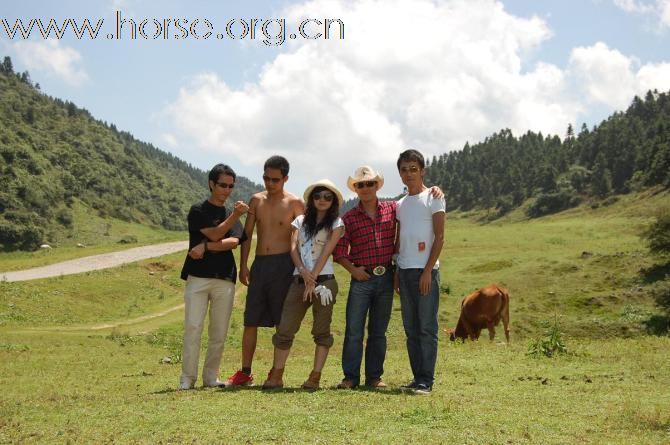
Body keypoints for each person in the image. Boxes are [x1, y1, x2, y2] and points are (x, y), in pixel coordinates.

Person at [334, 166, 443, 389]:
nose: (365, 188)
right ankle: (350, 377)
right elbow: (340, 250)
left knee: (378, 331)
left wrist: (436, 190)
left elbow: (415, 207)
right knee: (354, 330)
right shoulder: (348, 218)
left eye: (369, 184)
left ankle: (374, 377)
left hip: (386, 277)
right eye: (360, 185)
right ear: (355, 189)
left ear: (377, 186)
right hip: (361, 279)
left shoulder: (393, 209)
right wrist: (353, 271)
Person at [225, 155, 304, 387]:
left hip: (284, 265)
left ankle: (276, 372)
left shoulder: (295, 203)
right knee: (251, 320)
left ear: (286, 178)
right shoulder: (256, 200)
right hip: (260, 264)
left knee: (282, 320)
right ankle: (245, 372)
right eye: (266, 178)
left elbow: (304, 239)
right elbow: (247, 236)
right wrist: (243, 265)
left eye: (275, 180)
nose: (269, 183)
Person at [262, 180, 345, 389]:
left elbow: (328, 250)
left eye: (327, 197)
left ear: (333, 200)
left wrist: (313, 278)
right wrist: (303, 272)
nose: (322, 200)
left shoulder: (337, 223)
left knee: (322, 330)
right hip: (299, 280)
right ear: (311, 199)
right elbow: (292, 248)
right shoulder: (300, 220)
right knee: (285, 328)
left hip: (324, 283)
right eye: (318, 196)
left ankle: (314, 377)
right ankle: (276, 376)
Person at [178, 163, 249, 390]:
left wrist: (206, 247)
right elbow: (219, 233)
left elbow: (234, 241)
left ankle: (210, 377)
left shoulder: (230, 213)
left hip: (225, 278)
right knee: (193, 327)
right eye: (222, 185)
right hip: (198, 276)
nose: (226, 190)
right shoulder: (198, 210)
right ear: (211, 183)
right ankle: (187, 378)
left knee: (219, 331)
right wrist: (235, 216)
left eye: (230, 186)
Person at [394, 149, 445, 395]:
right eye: (404, 169)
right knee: (411, 328)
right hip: (404, 271)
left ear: (422, 170)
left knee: (426, 327)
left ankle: (427, 380)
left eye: (414, 169)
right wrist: (396, 271)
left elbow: (440, 237)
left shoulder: (434, 198)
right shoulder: (400, 204)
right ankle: (417, 379)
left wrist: (427, 271)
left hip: (426, 272)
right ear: (400, 174)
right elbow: (398, 241)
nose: (409, 174)